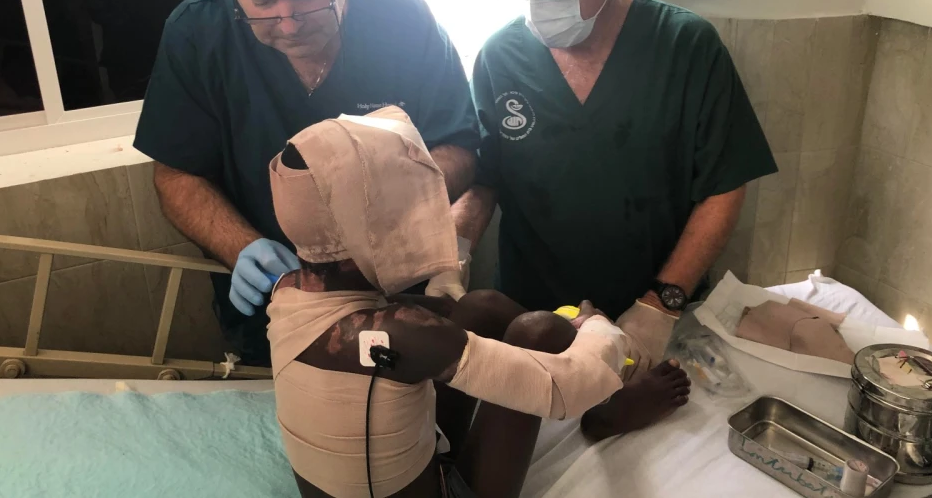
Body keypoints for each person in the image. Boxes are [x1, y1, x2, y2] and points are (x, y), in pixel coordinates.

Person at [266, 106, 690, 498]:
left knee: (479, 307)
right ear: (369, 225)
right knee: (539, 331)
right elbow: (563, 386)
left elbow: (400, 325)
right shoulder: (396, 333)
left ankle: (610, 392)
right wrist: (599, 329)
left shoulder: (289, 288)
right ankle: (609, 400)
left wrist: (445, 301)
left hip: (410, 459)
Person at [453, 0, 777, 431]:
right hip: (532, 319)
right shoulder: (501, 57)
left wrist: (659, 307)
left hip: (653, 317)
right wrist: (452, 251)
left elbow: (723, 184)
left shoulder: (686, 47)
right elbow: (485, 181)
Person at [133, 0, 479, 365]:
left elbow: (460, 147)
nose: (290, 22)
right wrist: (242, 248)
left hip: (403, 304)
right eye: (260, 1)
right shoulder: (198, 33)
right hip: (279, 315)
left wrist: (394, 209)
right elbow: (177, 175)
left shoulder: (403, 19)